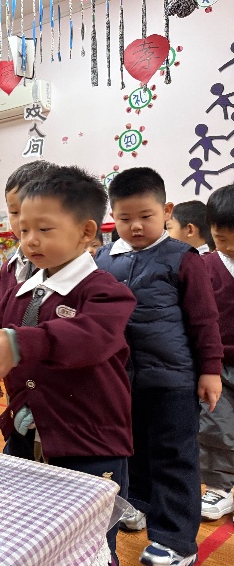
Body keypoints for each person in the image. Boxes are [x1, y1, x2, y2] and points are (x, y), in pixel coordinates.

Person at [0, 166, 137, 565]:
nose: (30, 240)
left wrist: (21, 343)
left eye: (44, 229)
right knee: (27, 529)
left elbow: (88, 338)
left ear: (86, 232)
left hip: (87, 444)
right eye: (23, 230)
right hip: (25, 436)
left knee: (89, 540)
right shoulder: (24, 290)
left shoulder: (106, 292)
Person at [95, 167, 223, 566]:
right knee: (130, 453)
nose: (135, 226)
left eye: (146, 216)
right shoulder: (103, 259)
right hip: (120, 381)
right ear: (112, 216)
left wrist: (210, 370)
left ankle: (176, 542)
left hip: (172, 380)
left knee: (174, 459)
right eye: (125, 218)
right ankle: (137, 507)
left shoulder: (184, 258)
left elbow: (205, 320)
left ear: (166, 211)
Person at [198, 185, 234, 522]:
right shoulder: (204, 267)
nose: (230, 247)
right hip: (217, 364)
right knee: (216, 426)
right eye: (221, 239)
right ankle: (220, 488)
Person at [0, 160, 59, 302]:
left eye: (32, 210)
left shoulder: (63, 266)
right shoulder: (8, 269)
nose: (22, 220)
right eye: (14, 212)